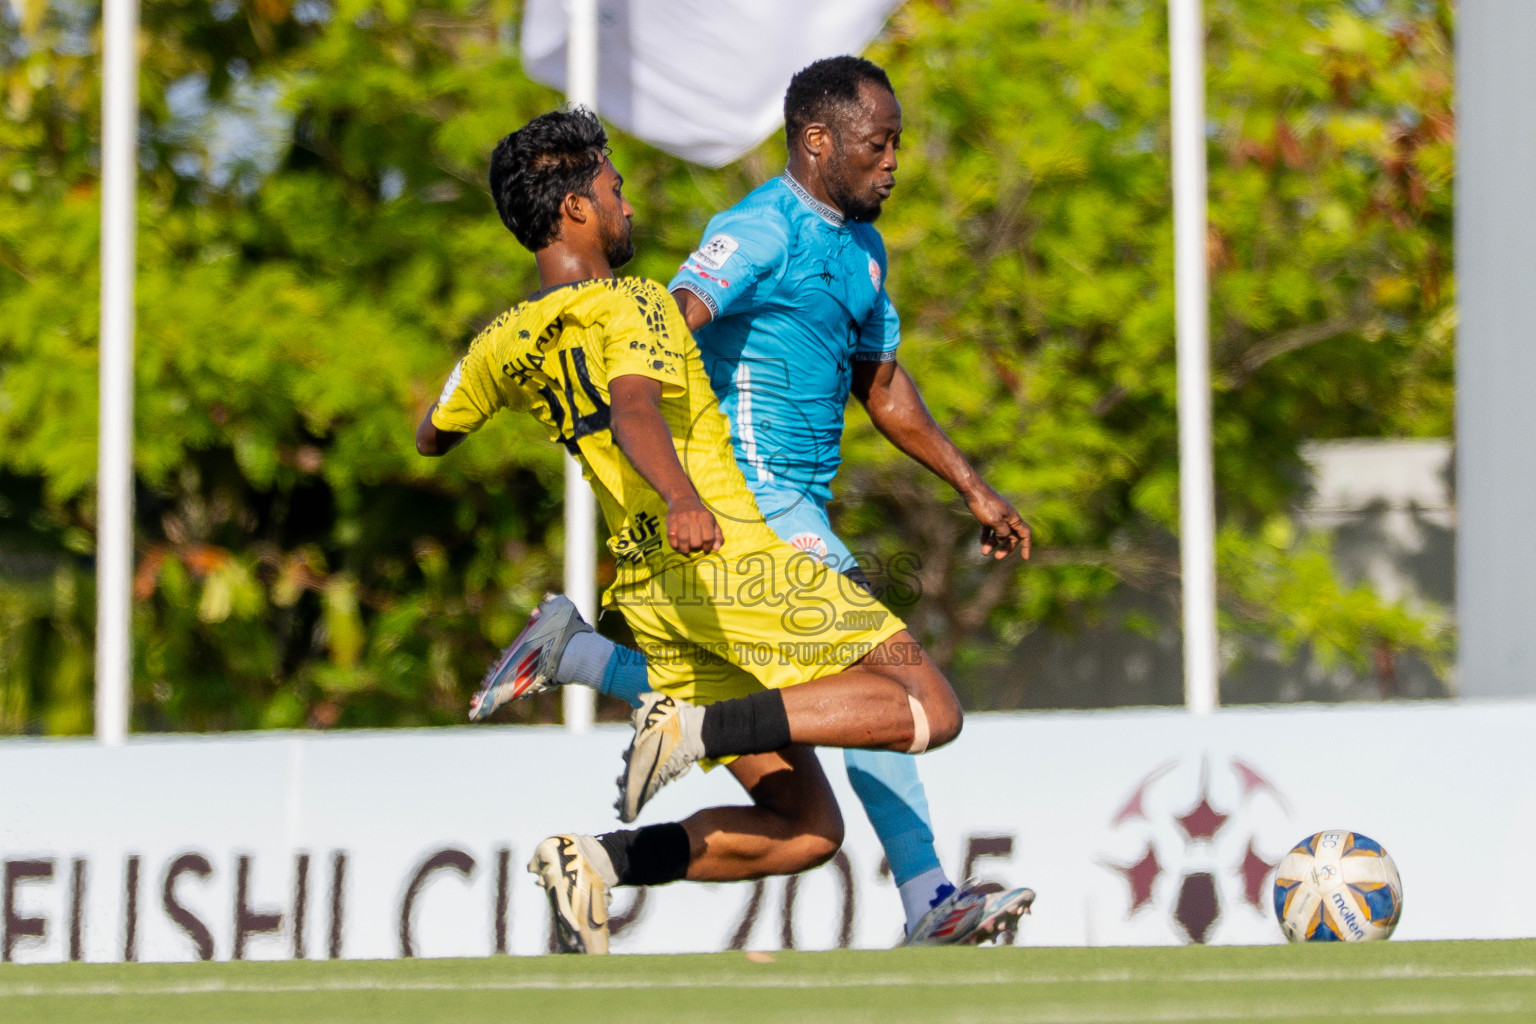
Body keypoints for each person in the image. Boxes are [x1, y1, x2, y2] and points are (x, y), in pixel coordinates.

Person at [418, 108, 1017, 954]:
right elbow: (635, 408)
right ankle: (691, 729)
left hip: (653, 592)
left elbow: (434, 435)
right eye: (615, 190)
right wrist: (679, 494)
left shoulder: (504, 342)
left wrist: (493, 362)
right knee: (929, 705)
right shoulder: (638, 304)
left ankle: (593, 862)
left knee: (808, 828)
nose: (627, 206)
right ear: (578, 210)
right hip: (727, 555)